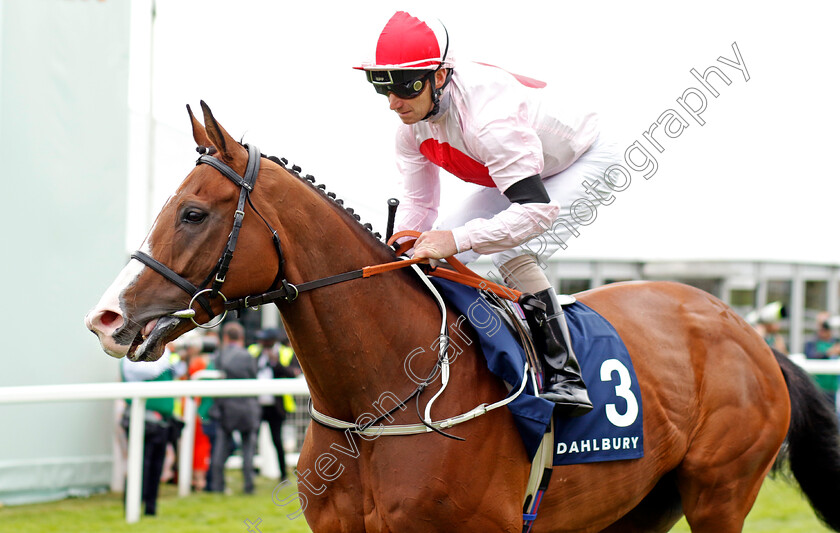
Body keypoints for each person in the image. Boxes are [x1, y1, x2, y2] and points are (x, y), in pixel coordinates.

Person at [356, 11, 622, 416]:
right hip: (523, 168)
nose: (394, 103)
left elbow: (535, 211)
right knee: (430, 253)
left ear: (439, 77)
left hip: (583, 157)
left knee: (505, 251)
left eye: (405, 88)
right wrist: (409, 241)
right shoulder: (410, 127)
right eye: (383, 87)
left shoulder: (487, 122)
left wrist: (457, 239)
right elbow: (420, 205)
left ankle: (565, 376)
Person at [120, 348, 181, 516]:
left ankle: (150, 508)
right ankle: (132, 505)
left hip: (161, 422)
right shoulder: (131, 357)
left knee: (156, 466)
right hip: (141, 420)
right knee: (140, 465)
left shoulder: (161, 358)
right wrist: (166, 350)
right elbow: (151, 370)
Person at [209, 321, 261, 494]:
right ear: (241, 337)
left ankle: (217, 486)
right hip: (248, 408)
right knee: (248, 450)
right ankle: (249, 486)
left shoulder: (219, 356)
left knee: (220, 449)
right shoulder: (248, 356)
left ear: (225, 337)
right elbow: (254, 377)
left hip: (227, 408)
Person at [248, 327, 301, 482]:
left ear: (272, 341)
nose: (261, 343)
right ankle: (251, 473)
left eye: (264, 340)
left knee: (277, 441)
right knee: (252, 440)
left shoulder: (286, 353)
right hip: (257, 404)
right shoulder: (255, 352)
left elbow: (293, 373)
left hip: (276, 406)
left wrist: (275, 362)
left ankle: (283, 475)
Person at [804, 311, 840, 409]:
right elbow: (811, 356)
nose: (823, 327)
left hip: (833, 390)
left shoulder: (837, 342)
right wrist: (829, 352)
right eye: (820, 324)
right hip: (816, 391)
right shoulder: (811, 343)